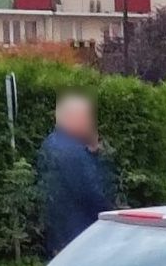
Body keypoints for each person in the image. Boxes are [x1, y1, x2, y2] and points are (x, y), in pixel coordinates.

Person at [36, 93, 114, 255]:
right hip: (79, 232)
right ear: (71, 119)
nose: (90, 123)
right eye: (86, 118)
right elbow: (89, 191)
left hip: (59, 233)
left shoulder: (51, 143)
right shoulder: (72, 153)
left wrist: (91, 152)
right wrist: (110, 214)